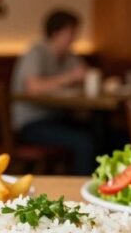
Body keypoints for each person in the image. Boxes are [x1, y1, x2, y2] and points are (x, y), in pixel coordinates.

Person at [11, 9, 98, 174]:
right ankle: (79, 192)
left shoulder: (68, 55)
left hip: (57, 118)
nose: (74, 38)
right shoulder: (36, 52)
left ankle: (103, 188)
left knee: (102, 133)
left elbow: (83, 73)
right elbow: (33, 87)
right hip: (30, 124)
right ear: (56, 32)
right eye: (71, 32)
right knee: (84, 141)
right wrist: (70, 77)